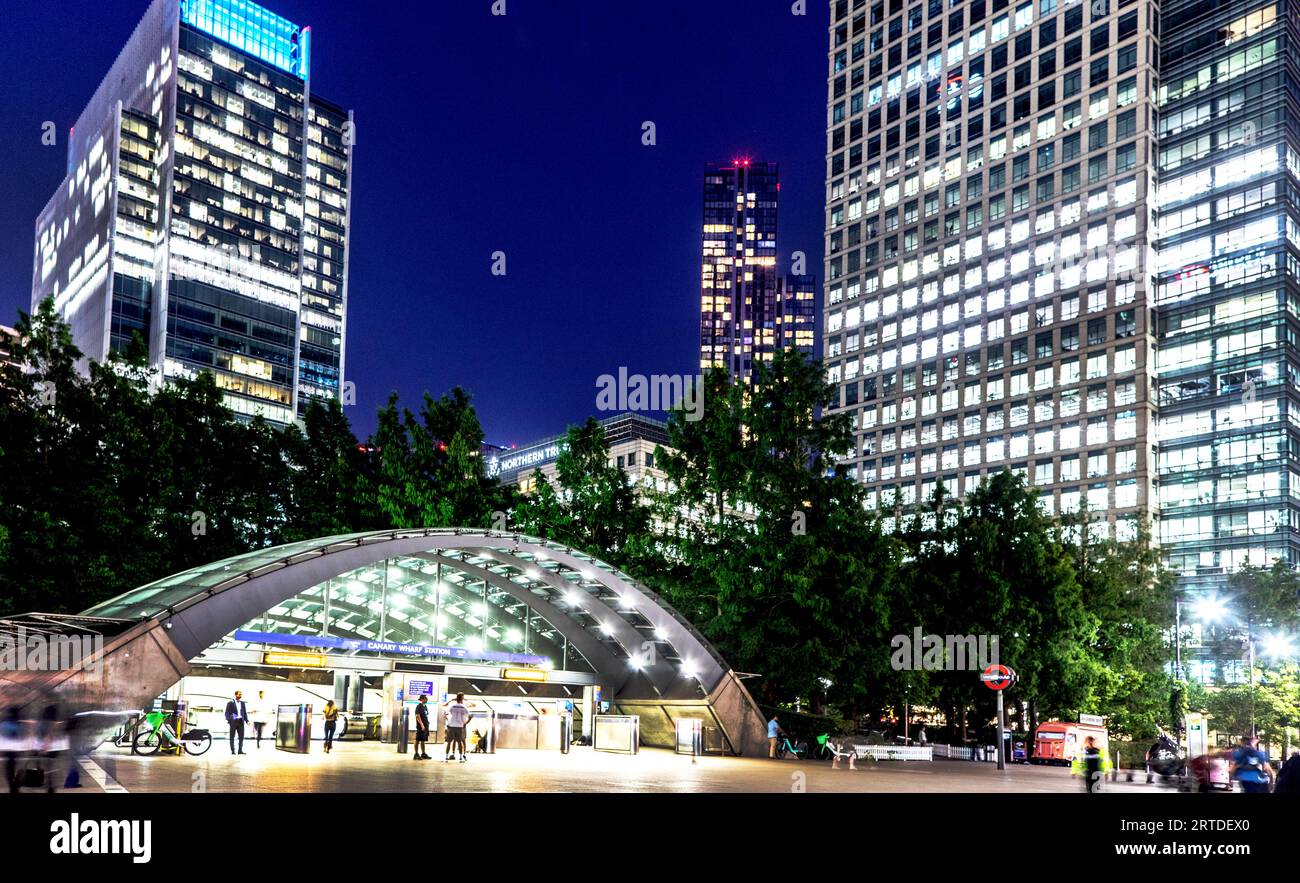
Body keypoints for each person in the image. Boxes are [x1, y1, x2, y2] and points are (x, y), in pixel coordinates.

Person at [443, 693, 471, 763]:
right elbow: (470, 716)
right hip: (460, 727)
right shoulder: (464, 707)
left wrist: (448, 720)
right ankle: (461, 758)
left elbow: (445, 714)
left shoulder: (452, 706)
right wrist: (465, 723)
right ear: (462, 699)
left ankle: (446, 757)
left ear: (456, 698)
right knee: (459, 742)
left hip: (451, 726)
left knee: (449, 742)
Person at [224, 691, 249, 755]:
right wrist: (228, 720)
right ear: (236, 695)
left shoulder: (242, 703)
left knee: (241, 737)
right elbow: (227, 712)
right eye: (239, 694)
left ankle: (240, 750)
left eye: (241, 694)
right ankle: (233, 751)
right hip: (233, 721)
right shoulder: (231, 702)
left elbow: (244, 713)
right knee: (232, 736)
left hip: (241, 721)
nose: (240, 695)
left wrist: (247, 720)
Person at [413, 695, 431, 760]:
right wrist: (422, 725)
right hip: (421, 726)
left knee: (423, 740)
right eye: (425, 698)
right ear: (422, 699)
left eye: (426, 698)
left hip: (425, 726)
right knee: (417, 739)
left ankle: (423, 754)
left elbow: (425, 715)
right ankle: (416, 754)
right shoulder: (419, 706)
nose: (426, 699)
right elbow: (417, 716)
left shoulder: (425, 706)